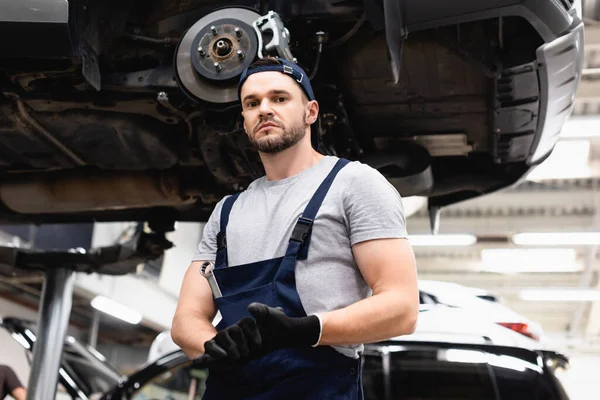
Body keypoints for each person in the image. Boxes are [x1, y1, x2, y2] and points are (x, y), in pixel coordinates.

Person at [171, 56, 419, 399]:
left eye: (280, 98)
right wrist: (212, 343)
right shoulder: (227, 212)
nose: (265, 109)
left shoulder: (354, 184)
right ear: (243, 121)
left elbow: (402, 307)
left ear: (311, 112)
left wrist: (309, 329)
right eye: (252, 103)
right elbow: (187, 317)